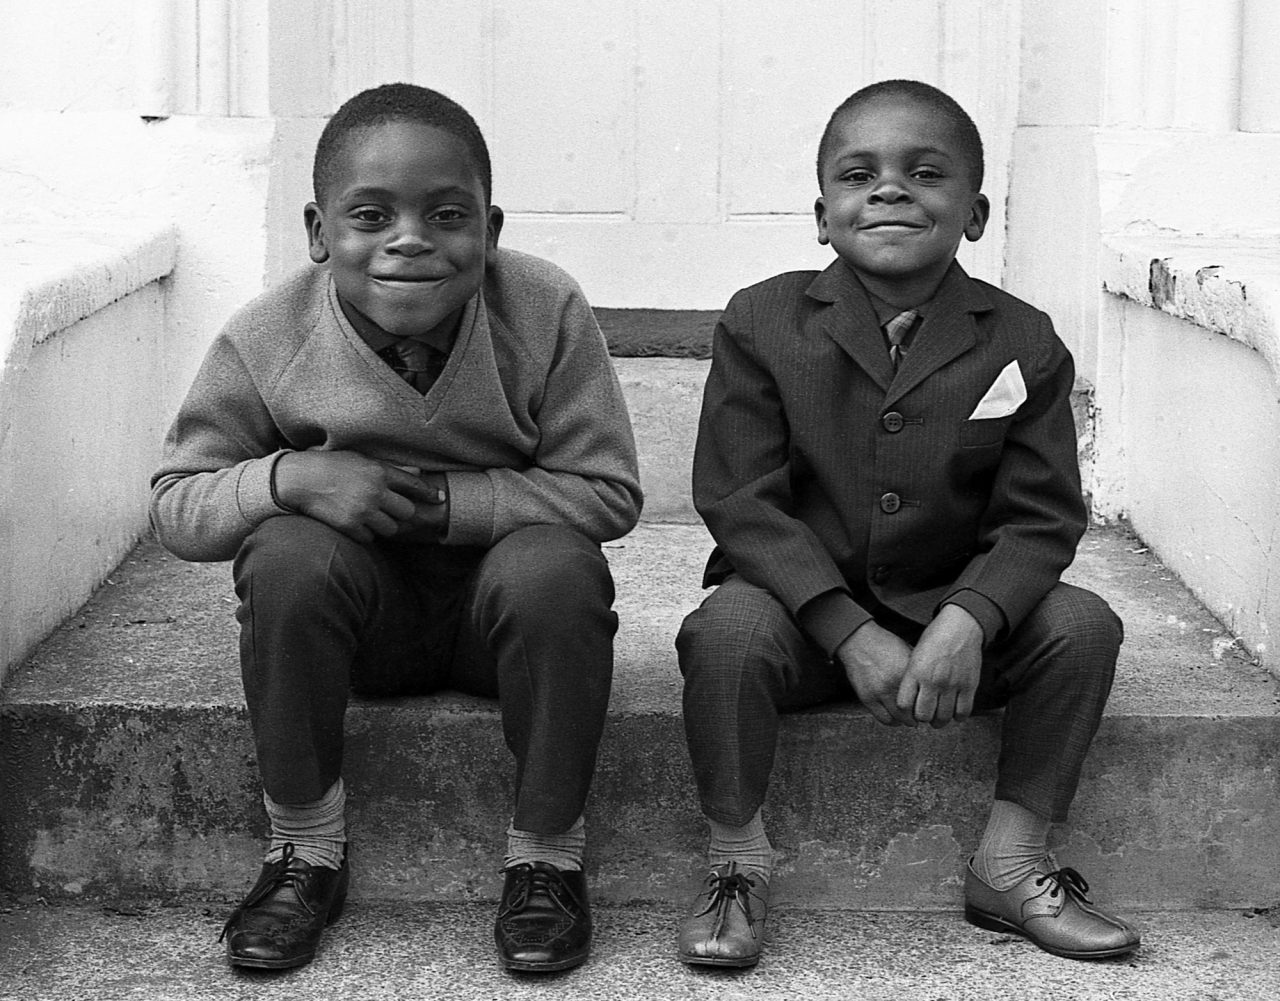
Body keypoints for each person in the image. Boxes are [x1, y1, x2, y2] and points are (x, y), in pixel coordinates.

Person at [150, 82, 642, 974]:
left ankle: (546, 856)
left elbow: (607, 491)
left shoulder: (543, 309)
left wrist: (454, 503)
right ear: (318, 232)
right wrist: (292, 477)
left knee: (557, 568)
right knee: (285, 553)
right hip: (362, 625)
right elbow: (179, 504)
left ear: (491, 231)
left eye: (447, 215)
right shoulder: (269, 334)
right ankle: (304, 847)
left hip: (501, 622)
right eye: (371, 215)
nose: (409, 239)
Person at [674, 79, 1139, 968]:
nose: (889, 189)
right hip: (802, 616)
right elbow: (741, 501)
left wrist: (970, 618)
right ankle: (736, 862)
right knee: (726, 631)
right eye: (859, 175)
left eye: (925, 173)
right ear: (823, 216)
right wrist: (845, 629)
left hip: (951, 631)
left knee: (1083, 626)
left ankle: (1010, 862)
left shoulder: (1023, 338)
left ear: (976, 213)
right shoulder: (762, 320)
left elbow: (1041, 516)